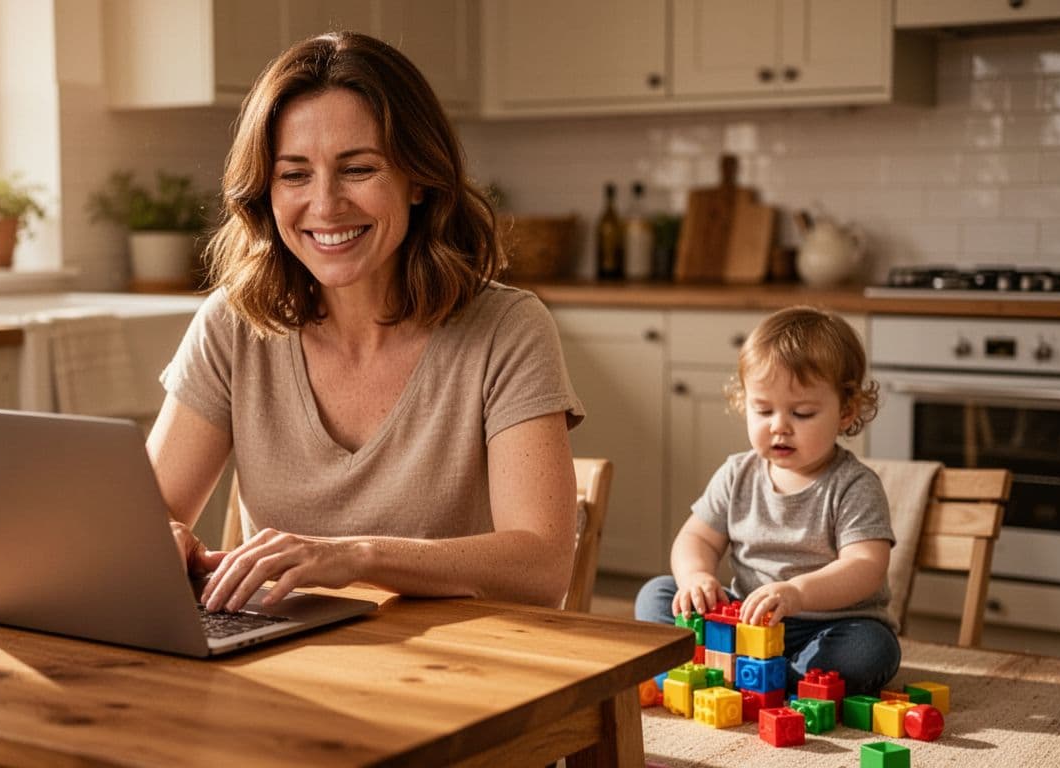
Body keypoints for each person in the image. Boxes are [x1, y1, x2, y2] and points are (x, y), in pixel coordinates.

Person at [147, 31, 584, 614]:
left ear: (421, 178)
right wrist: (160, 537)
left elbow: (542, 566)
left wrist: (355, 557)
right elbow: (150, 516)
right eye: (294, 174)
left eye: (358, 169)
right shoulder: (231, 326)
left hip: (461, 671)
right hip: (279, 665)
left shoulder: (507, 328)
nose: (325, 206)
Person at [634, 306, 899, 694]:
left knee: (872, 650)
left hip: (827, 628)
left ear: (846, 411)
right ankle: (736, 667)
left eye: (802, 412)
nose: (779, 426)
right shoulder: (737, 474)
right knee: (657, 594)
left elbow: (866, 566)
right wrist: (697, 577)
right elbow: (696, 539)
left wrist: (797, 594)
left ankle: (768, 676)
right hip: (745, 621)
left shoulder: (854, 485)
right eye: (763, 410)